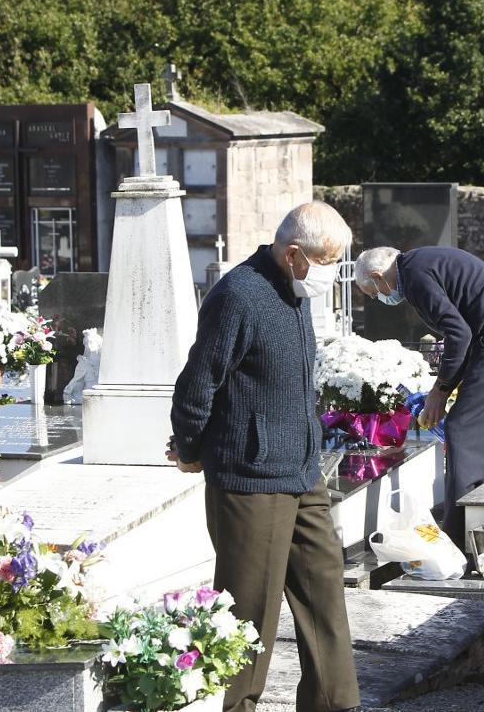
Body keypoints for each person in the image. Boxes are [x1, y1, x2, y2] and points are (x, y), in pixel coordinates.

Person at [169, 202, 362, 712]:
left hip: (301, 472)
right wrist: (189, 448)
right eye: (325, 262)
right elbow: (198, 382)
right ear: (294, 253)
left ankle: (334, 705)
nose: (329, 274)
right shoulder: (238, 295)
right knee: (248, 613)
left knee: (325, 597)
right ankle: (234, 706)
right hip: (251, 477)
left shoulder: (293, 290)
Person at [354, 245, 484, 546]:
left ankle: (458, 540)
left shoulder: (413, 274)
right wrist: (450, 383)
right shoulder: (422, 262)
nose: (380, 298)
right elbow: (465, 331)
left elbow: (459, 333)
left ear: (378, 276)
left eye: (373, 293)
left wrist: (440, 392)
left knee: (463, 430)